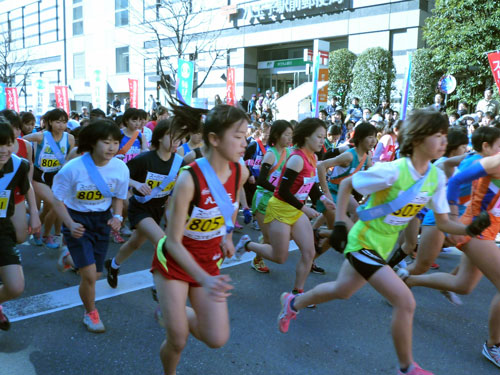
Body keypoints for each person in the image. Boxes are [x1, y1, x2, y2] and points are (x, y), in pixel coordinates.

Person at [277, 110, 490, 375]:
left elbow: (444, 223)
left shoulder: (435, 178)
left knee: (342, 290)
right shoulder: (392, 170)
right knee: (405, 301)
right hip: (363, 242)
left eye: (445, 135)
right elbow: (346, 186)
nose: (444, 140)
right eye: (438, 135)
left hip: (382, 247)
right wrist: (341, 222)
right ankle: (407, 368)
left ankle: (292, 303)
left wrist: (469, 227)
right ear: (418, 138)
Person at [151, 102, 249, 374]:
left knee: (217, 339)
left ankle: (173, 315)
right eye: (238, 137)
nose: (245, 144)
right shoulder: (188, 179)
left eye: (246, 136)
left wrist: (227, 236)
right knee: (178, 339)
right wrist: (205, 280)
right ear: (214, 139)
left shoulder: (240, 171)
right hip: (175, 262)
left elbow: (229, 207)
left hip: (209, 261)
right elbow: (172, 241)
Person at [404, 133, 500, 369]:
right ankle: (494, 345)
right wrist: (453, 219)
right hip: (473, 228)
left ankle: (409, 279)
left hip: (488, 230)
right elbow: (456, 182)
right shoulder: (495, 161)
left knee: (463, 285)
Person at [237, 118, 335, 294]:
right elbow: (282, 191)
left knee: (308, 252)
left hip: (296, 211)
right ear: (306, 137)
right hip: (281, 209)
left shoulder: (312, 157)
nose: (322, 140)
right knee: (279, 257)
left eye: (324, 136)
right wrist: (304, 208)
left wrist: (321, 198)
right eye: (319, 136)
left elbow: (311, 184)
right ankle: (248, 245)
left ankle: (297, 294)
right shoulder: (296, 159)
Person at [52, 120, 129, 332]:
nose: (111, 147)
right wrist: (68, 223)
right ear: (93, 143)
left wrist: (118, 218)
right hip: (77, 220)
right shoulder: (72, 168)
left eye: (115, 142)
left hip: (102, 220)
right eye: (106, 142)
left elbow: (119, 198)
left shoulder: (120, 168)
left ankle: (68, 256)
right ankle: (90, 313)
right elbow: (57, 199)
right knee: (88, 276)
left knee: (95, 275)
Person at [105, 119, 184, 288]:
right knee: (163, 242)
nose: (176, 140)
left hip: (159, 209)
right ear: (160, 138)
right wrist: (136, 184)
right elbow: (121, 177)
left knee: (135, 243)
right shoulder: (144, 159)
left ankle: (113, 265)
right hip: (140, 208)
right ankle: (160, 285)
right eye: (172, 136)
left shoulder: (179, 162)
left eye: (179, 137)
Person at [0, 119, 40, 331]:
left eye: (8, 143)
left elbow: (26, 188)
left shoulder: (18, 165)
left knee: (15, 287)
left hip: (2, 229)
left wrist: (34, 212)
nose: (4, 150)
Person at [24, 108, 75, 249]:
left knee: (48, 209)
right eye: (58, 122)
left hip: (57, 177)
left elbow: (71, 158)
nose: (61, 125)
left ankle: (35, 230)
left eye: (64, 122)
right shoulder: (41, 136)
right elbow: (19, 141)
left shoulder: (69, 138)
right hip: (39, 176)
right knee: (55, 204)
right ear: (50, 122)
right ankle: (46, 236)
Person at [250, 120, 293, 273]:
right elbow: (261, 180)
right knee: (269, 238)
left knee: (284, 235)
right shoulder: (270, 154)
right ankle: (256, 257)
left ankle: (259, 248)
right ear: (276, 135)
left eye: (291, 135)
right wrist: (278, 189)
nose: (290, 138)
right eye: (287, 135)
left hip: (278, 199)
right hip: (264, 199)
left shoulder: (289, 153)